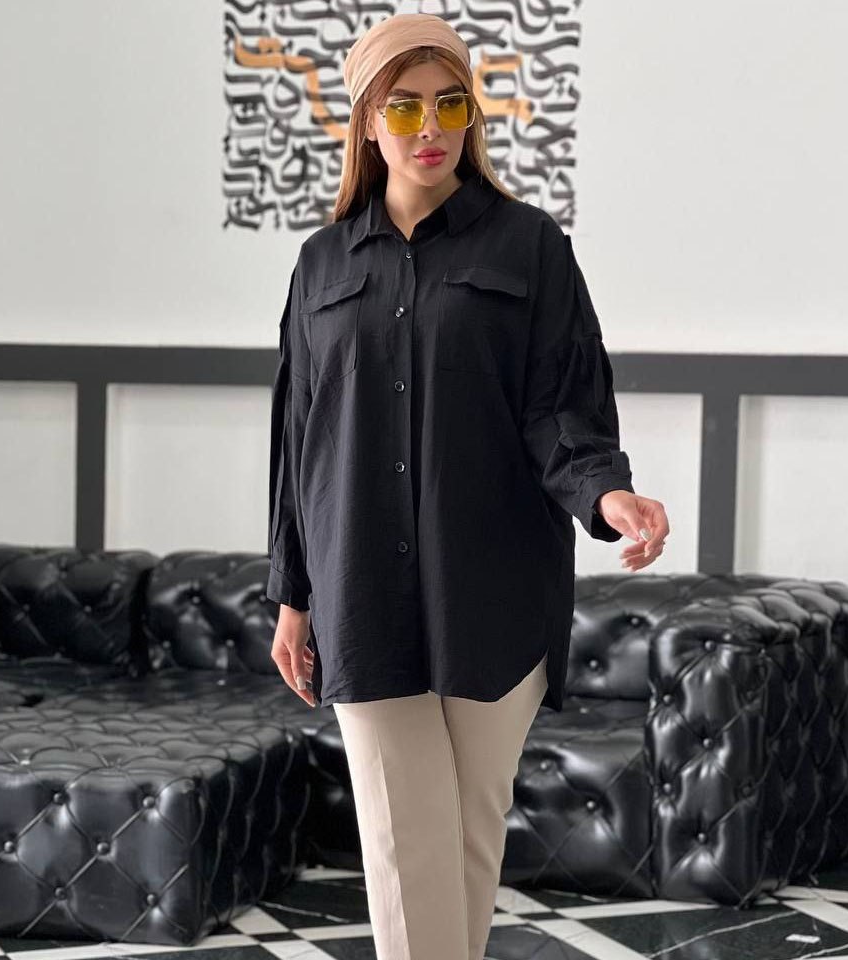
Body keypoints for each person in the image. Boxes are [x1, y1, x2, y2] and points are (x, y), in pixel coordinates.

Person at [267, 12, 670, 959]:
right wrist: (292, 593)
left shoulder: (531, 248)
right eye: (404, 107)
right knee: (404, 842)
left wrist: (608, 496)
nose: (430, 128)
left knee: (466, 837)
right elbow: (298, 439)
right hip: (360, 586)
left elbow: (561, 410)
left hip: (494, 585)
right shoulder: (321, 263)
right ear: (369, 122)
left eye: (449, 104)